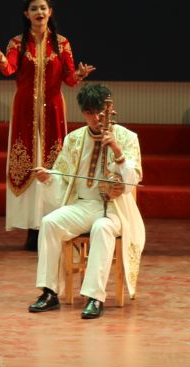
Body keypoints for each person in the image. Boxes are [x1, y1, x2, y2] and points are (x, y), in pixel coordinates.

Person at [27, 82, 144, 320]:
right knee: (49, 223)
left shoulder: (127, 137)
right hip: (82, 204)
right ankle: (49, 292)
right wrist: (49, 177)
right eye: (89, 113)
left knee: (102, 227)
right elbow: (62, 176)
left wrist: (116, 148)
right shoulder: (74, 139)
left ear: (109, 109)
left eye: (99, 112)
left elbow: (133, 179)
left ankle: (95, 297)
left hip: (114, 208)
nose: (95, 118)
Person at [0, 0, 91, 252]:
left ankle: (52, 223)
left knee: (53, 164)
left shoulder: (62, 43)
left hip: (53, 111)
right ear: (26, 14)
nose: (39, 12)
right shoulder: (17, 43)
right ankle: (31, 229)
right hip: (24, 111)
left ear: (50, 12)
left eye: (43, 8)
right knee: (28, 163)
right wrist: (2, 61)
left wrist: (79, 74)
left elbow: (69, 79)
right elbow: (10, 70)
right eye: (34, 9)